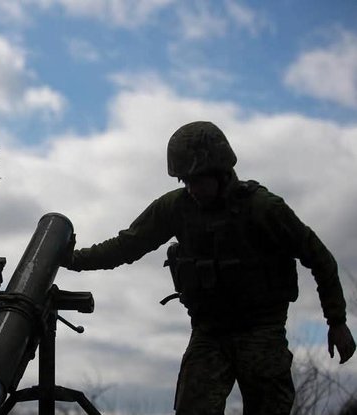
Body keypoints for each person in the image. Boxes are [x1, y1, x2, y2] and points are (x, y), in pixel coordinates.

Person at [62, 121, 356, 414]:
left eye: (198, 180)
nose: (192, 189)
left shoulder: (263, 208)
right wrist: (73, 260)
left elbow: (319, 258)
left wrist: (336, 321)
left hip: (260, 331)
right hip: (209, 333)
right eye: (185, 181)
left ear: (221, 173)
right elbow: (127, 246)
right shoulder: (176, 207)